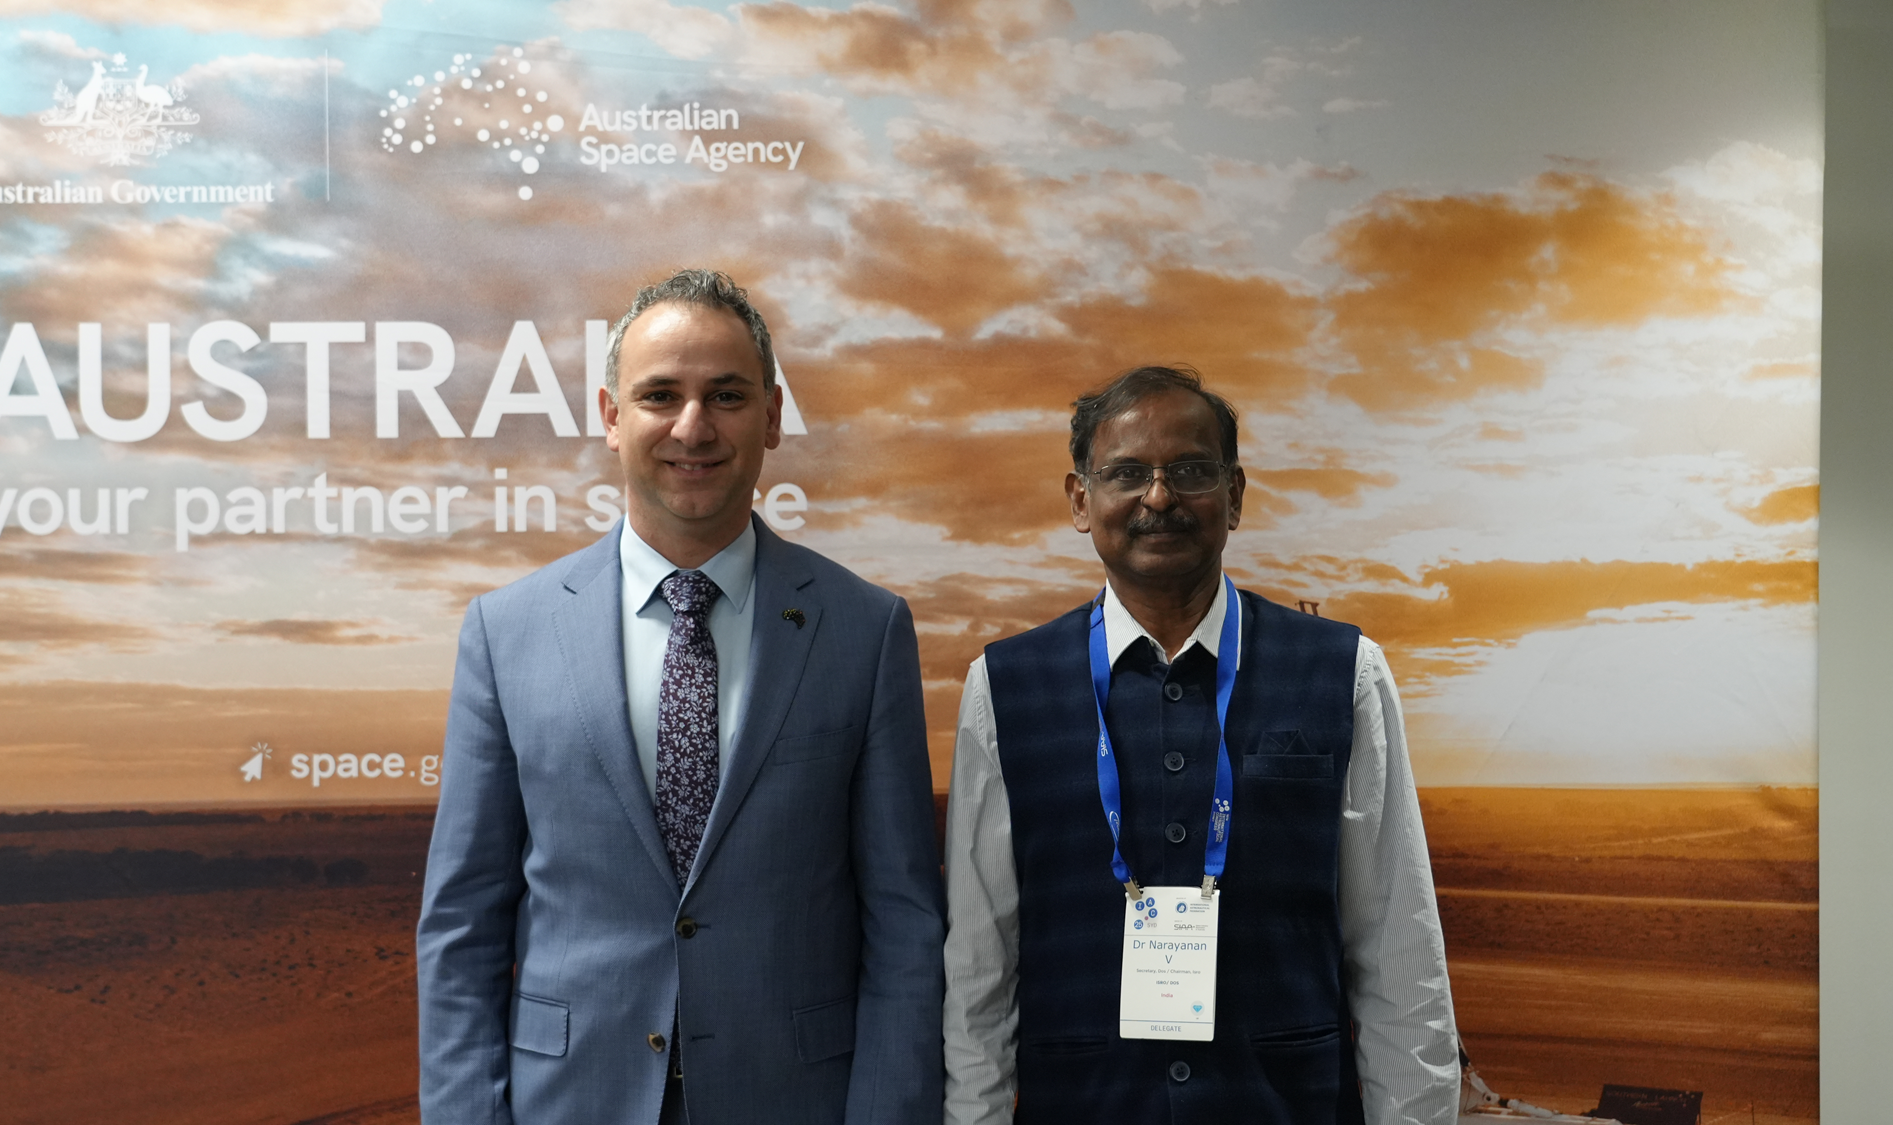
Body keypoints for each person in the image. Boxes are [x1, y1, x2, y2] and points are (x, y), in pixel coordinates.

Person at [418, 269, 945, 1125]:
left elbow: (905, 923)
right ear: (610, 415)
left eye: (726, 395)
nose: (692, 426)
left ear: (772, 417)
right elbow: (461, 927)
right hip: (572, 1100)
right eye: (660, 394)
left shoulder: (866, 629)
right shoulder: (505, 631)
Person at [941, 365, 1459, 1124]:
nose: (1159, 497)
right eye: (1126, 473)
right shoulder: (1003, 688)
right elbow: (979, 969)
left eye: (1189, 471)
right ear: (1081, 500)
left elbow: (1399, 955)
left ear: (1236, 496)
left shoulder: (1345, 672)